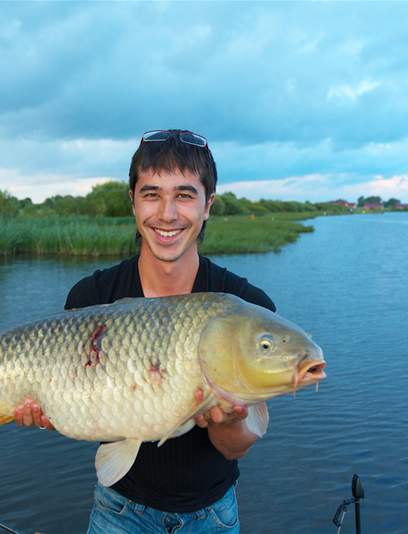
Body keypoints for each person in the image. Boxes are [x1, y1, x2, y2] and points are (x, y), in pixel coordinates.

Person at [14, 129, 276, 533]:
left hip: (212, 516)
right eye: (151, 194)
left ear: (209, 205)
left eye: (185, 195)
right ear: (133, 203)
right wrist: (50, 408)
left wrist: (225, 420)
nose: (167, 214)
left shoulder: (245, 307)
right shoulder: (92, 297)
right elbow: (83, 413)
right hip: (119, 511)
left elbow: (236, 446)